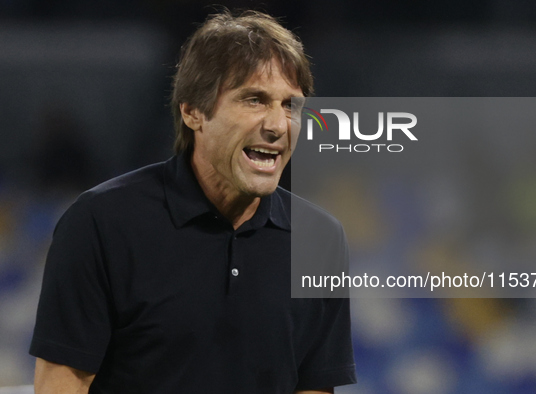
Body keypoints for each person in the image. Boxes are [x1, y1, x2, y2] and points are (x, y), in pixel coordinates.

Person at [30, 10, 356, 394]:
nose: (278, 125)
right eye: (254, 100)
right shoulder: (100, 223)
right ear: (192, 111)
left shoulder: (319, 239)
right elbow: (61, 385)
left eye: (291, 105)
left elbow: (313, 387)